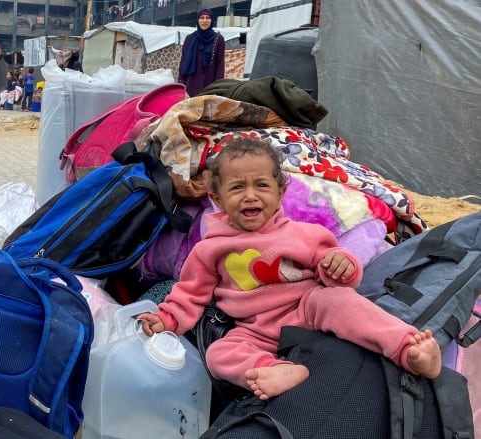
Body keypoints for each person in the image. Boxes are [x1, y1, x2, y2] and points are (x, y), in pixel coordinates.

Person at [137, 138, 442, 401]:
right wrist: (166, 319)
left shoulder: (303, 234)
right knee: (219, 355)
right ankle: (277, 370)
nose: (251, 195)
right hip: (255, 328)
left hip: (307, 307)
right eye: (237, 187)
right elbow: (190, 294)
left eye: (261, 185)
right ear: (217, 199)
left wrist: (340, 266)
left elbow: (336, 271)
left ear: (280, 193)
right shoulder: (208, 249)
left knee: (342, 302)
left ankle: (407, 348)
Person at [178, 9, 226, 97]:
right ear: (197, 20)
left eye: (207, 18)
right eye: (202, 18)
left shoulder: (218, 39)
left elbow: (220, 65)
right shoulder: (189, 39)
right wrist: (181, 84)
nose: (204, 20)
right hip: (190, 83)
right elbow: (183, 62)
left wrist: (218, 87)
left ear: (211, 20)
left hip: (209, 84)